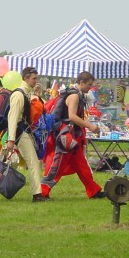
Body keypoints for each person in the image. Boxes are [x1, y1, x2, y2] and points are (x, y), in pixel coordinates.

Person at [0, 67, 47, 202]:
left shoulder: (24, 93)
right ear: (26, 78)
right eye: (34, 78)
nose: (36, 81)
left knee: (7, 163)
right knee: (33, 163)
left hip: (16, 133)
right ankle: (37, 195)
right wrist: (11, 139)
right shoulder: (19, 94)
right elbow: (13, 117)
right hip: (18, 132)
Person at [41, 71, 106, 200]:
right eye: (88, 85)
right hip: (65, 136)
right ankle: (42, 192)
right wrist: (90, 126)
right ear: (81, 83)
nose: (90, 87)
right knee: (56, 165)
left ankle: (93, 190)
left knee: (82, 165)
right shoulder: (74, 96)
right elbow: (72, 116)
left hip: (72, 135)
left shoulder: (76, 94)